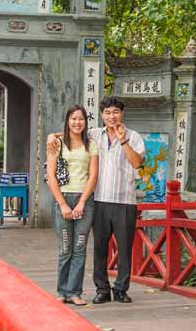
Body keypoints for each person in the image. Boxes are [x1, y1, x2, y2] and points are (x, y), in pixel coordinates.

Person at [48, 97, 145, 304]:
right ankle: (102, 289)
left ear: (122, 113)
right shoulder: (93, 136)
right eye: (108, 112)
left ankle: (121, 289)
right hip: (99, 199)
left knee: (125, 248)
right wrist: (51, 136)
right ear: (101, 115)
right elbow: (72, 133)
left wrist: (123, 140)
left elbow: (137, 163)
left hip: (125, 200)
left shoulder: (134, 136)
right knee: (99, 247)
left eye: (116, 112)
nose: (112, 116)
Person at [46, 105, 98, 306]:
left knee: (80, 247)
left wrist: (82, 202)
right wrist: (63, 204)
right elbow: (51, 176)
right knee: (65, 248)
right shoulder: (57, 143)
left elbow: (93, 175)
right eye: (73, 119)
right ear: (68, 121)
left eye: (81, 119)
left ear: (86, 122)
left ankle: (74, 292)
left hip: (85, 200)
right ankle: (62, 291)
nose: (77, 122)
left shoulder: (91, 144)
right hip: (63, 198)